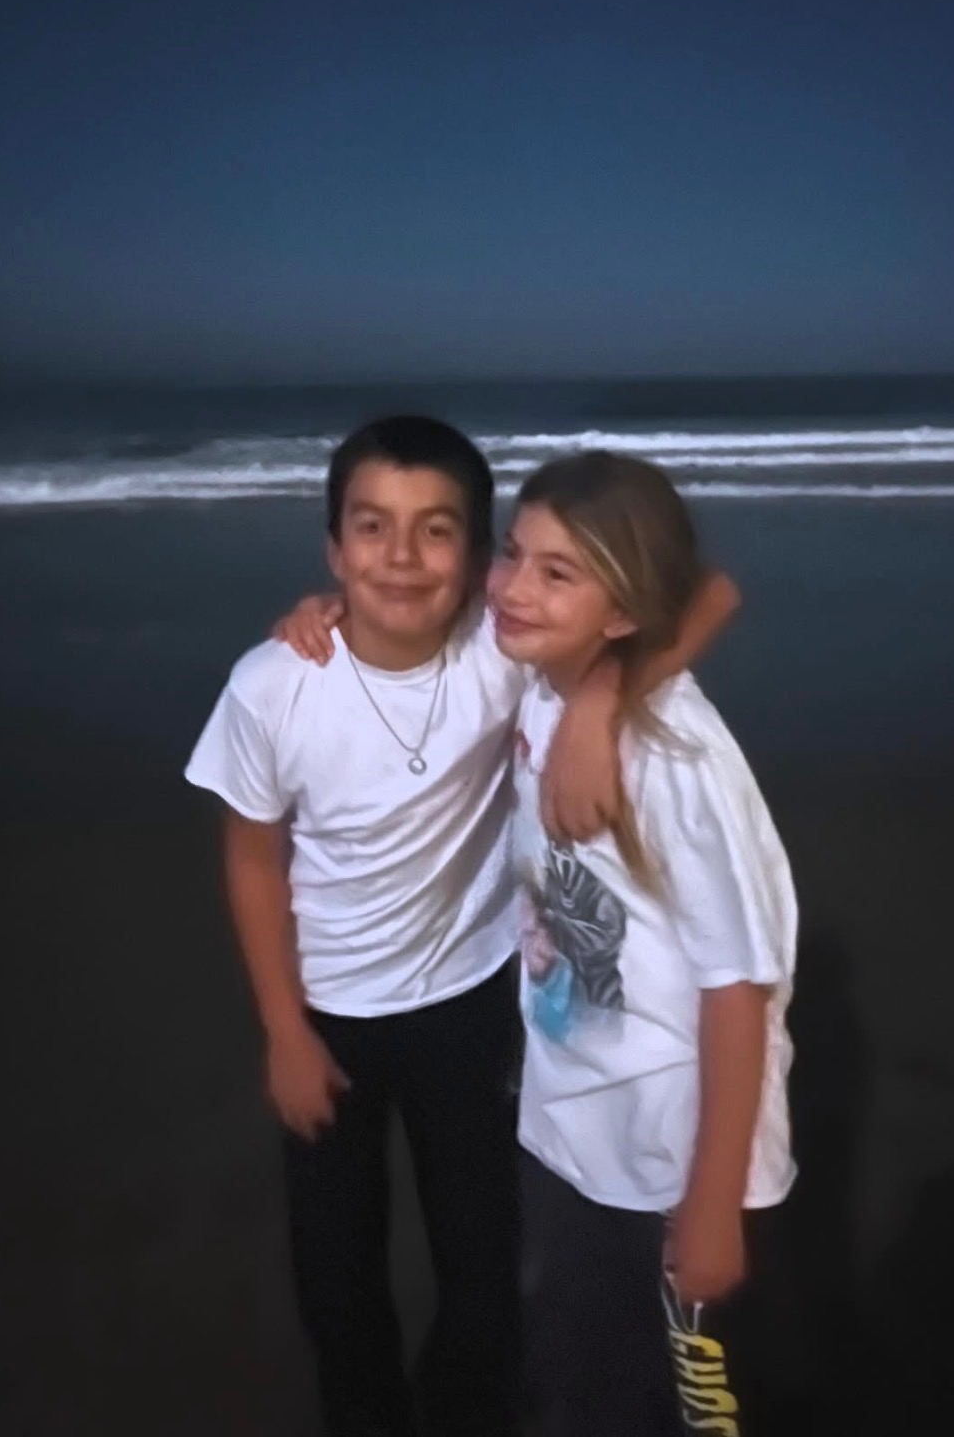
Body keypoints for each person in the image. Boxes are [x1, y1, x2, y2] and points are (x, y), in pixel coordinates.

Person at [185, 416, 739, 1437]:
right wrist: (283, 1031)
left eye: (435, 530)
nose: (401, 557)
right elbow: (253, 857)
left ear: (482, 560)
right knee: (336, 1280)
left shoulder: (505, 648)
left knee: (484, 1273)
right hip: (329, 1013)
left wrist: (601, 701)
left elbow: (709, 592)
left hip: (475, 1003)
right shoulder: (272, 686)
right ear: (333, 549)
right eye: (372, 527)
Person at [488, 451, 798, 1437]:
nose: (513, 587)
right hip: (569, 1128)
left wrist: (712, 1203)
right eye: (511, 552)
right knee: (582, 1382)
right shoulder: (540, 686)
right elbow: (703, 592)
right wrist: (595, 696)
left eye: (557, 572)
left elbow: (738, 987)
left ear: (622, 613)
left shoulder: (678, 759)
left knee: (690, 1410)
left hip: (674, 1156)